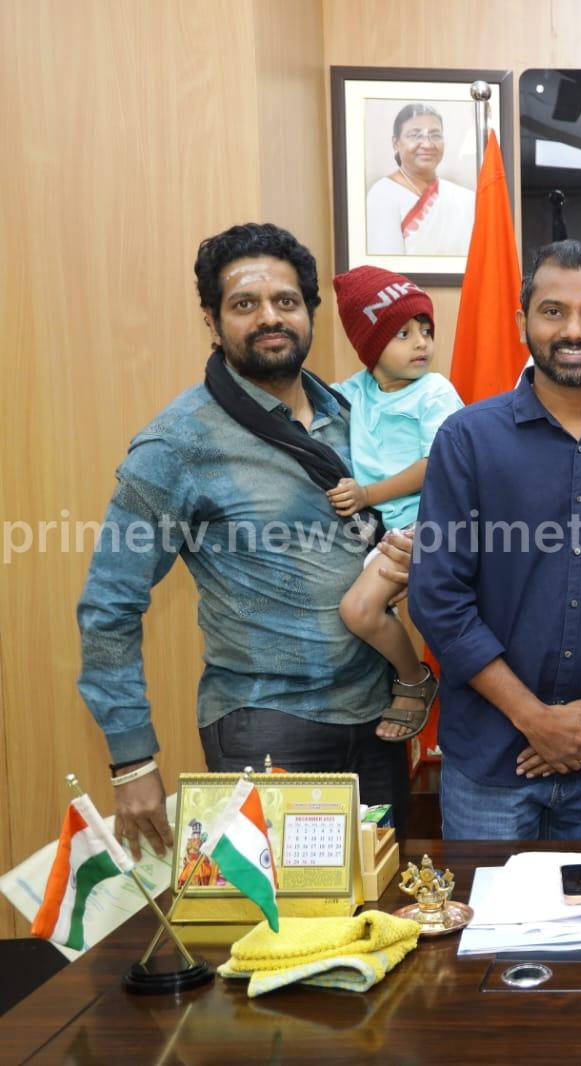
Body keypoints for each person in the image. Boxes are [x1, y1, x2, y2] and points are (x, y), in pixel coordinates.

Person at [78, 223, 416, 854]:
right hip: (268, 727)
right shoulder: (177, 445)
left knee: (384, 902)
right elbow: (109, 607)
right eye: (244, 304)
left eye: (286, 301)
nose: (269, 318)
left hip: (381, 723)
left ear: (310, 312)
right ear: (212, 321)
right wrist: (131, 760)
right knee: (279, 916)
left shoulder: (359, 418)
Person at [408, 239, 581, 840]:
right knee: (489, 906)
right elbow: (437, 598)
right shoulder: (466, 440)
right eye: (553, 311)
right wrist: (533, 717)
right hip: (489, 763)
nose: (574, 330)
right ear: (522, 323)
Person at [326, 266, 464, 741]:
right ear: (369, 346)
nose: (421, 342)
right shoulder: (355, 391)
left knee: (359, 611)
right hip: (382, 532)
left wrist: (367, 494)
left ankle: (413, 681)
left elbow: (437, 463)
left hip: (432, 527)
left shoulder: (434, 391)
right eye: (403, 334)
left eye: (425, 329)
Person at [365, 103, 475, 257]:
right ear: (396, 143)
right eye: (415, 135)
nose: (427, 144)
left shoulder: (466, 199)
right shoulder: (383, 194)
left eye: (435, 135)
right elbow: (386, 264)